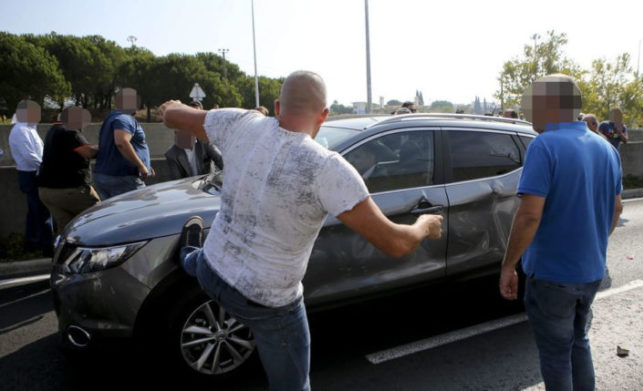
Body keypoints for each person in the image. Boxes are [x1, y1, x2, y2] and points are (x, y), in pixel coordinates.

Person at [160, 70, 443, 391]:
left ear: (278, 106)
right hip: (267, 303)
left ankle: (188, 252)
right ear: (324, 115)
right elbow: (395, 244)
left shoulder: (239, 123)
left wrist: (173, 106)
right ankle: (190, 253)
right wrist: (424, 224)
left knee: (196, 263)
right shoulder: (328, 169)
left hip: (213, 272)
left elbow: (172, 115)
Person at [500, 74, 623, 390]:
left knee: (555, 356)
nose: (529, 112)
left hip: (553, 275)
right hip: (591, 271)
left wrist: (508, 265)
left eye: (534, 103)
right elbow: (617, 208)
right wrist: (593, 244)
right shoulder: (607, 148)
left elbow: (529, 217)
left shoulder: (544, 145)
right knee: (578, 342)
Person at [38, 107, 100, 234]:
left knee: (67, 231)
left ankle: (64, 253)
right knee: (99, 218)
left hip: (47, 191)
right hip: (69, 190)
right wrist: (108, 146)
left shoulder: (54, 130)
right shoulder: (70, 132)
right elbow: (88, 153)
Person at [8, 100, 53, 255]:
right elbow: (29, 156)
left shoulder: (28, 129)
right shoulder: (22, 130)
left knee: (35, 211)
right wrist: (46, 168)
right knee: (42, 211)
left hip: (32, 173)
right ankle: (46, 246)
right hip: (32, 174)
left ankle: (33, 242)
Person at [93, 88, 154, 199]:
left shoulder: (112, 117)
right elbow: (121, 142)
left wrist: (146, 164)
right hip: (122, 178)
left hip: (105, 175)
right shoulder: (124, 118)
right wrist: (141, 166)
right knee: (140, 211)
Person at [164, 103, 224, 179]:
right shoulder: (171, 154)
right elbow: (176, 181)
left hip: (206, 185)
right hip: (187, 188)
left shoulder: (204, 142)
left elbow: (221, 161)